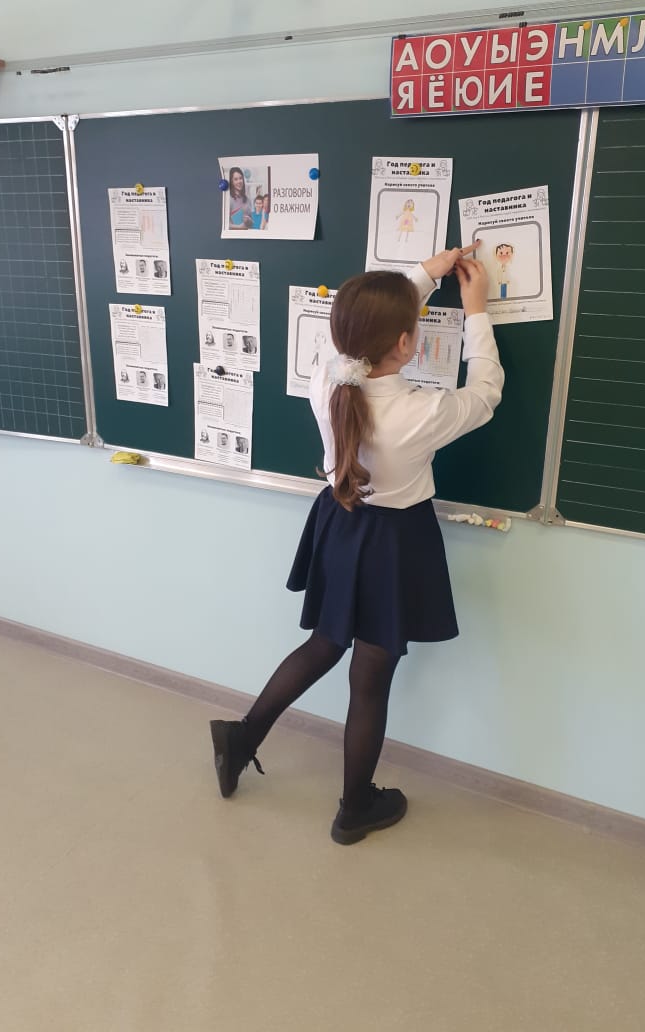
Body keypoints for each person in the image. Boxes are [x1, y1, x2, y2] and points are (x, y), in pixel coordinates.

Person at [209, 244, 503, 845]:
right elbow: (487, 390)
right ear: (406, 342)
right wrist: (475, 309)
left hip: (340, 523)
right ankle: (354, 808)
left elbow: (369, 333)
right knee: (371, 676)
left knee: (325, 642)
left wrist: (424, 276)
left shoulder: (329, 378)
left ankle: (242, 737)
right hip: (395, 541)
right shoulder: (421, 412)